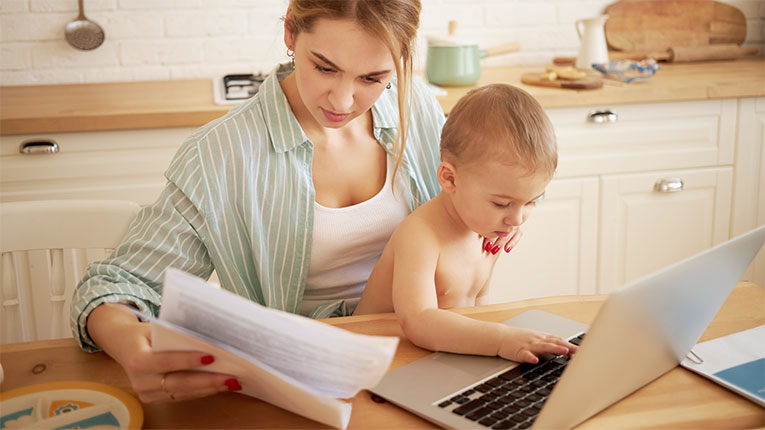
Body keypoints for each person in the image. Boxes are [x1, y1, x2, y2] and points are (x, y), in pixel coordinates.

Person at [70, 0, 522, 404]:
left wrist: (500, 213)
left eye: (373, 77)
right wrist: (131, 343)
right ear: (290, 32)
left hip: (432, 359)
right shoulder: (221, 155)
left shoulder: (418, 107)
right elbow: (117, 284)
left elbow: (472, 193)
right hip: (309, 386)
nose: (344, 100)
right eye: (325, 67)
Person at [354, 84, 577, 364]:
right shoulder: (421, 235)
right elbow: (418, 321)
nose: (517, 220)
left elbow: (478, 307)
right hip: (375, 361)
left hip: (438, 358)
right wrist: (501, 339)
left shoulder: (487, 229)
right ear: (450, 179)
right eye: (501, 204)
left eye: (532, 201)